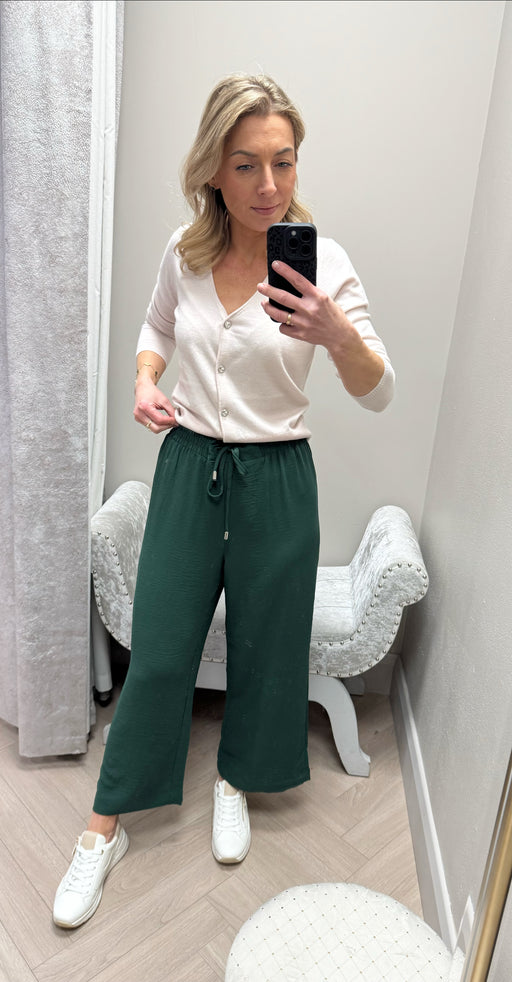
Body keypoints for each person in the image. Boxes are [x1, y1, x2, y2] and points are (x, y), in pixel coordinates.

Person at [53, 73, 395, 929]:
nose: (269, 185)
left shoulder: (324, 262)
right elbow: (156, 328)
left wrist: (336, 334)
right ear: (213, 168)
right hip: (190, 466)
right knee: (160, 650)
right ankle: (104, 826)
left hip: (278, 475)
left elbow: (378, 390)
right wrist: (146, 381)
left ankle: (236, 778)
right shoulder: (187, 251)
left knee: (267, 645)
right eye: (246, 165)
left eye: (284, 161)